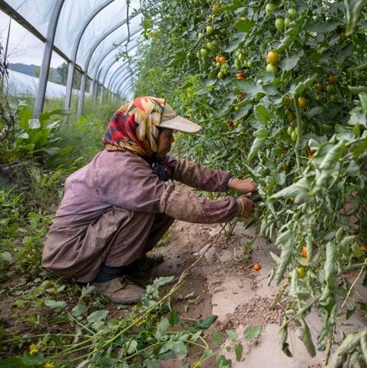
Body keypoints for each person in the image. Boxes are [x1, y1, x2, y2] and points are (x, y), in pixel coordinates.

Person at [42, 96, 257, 304]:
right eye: (168, 135)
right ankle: (107, 279)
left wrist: (230, 181)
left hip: (89, 239)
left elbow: (181, 168)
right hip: (70, 253)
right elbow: (177, 203)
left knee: (157, 201)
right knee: (150, 204)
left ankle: (127, 262)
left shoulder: (135, 152)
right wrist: (235, 207)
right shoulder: (121, 167)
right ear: (148, 131)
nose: (172, 140)